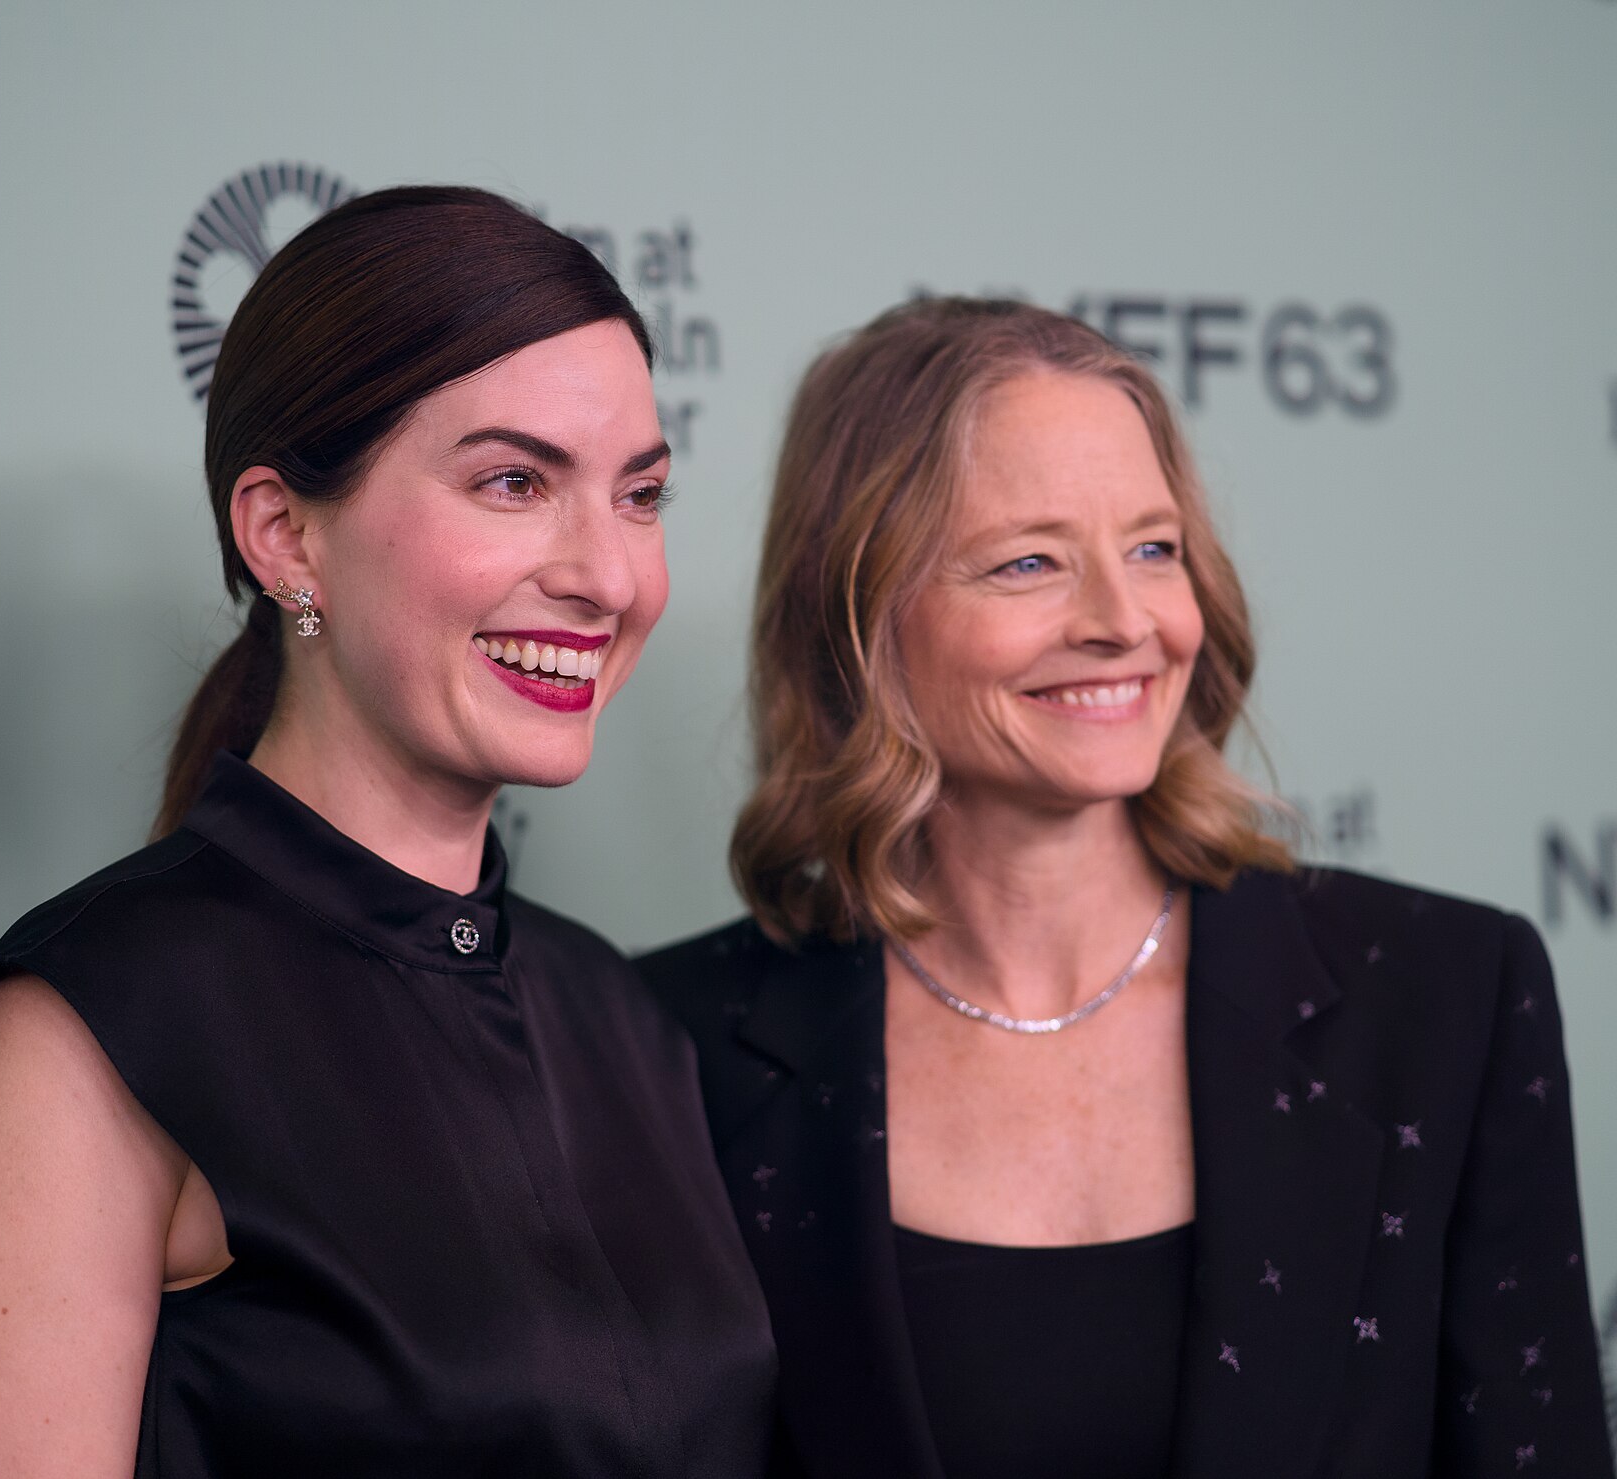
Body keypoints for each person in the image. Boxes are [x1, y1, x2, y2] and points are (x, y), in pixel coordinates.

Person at [0, 186, 775, 1479]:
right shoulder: (84, 1030)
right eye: (515, 481)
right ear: (285, 533)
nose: (609, 574)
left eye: (640, 493)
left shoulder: (624, 1022)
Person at [639, 298, 1612, 1479]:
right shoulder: (665, 1055)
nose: (1124, 622)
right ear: (860, 620)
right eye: (1030, 562)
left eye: (1154, 549)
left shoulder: (1444, 996)